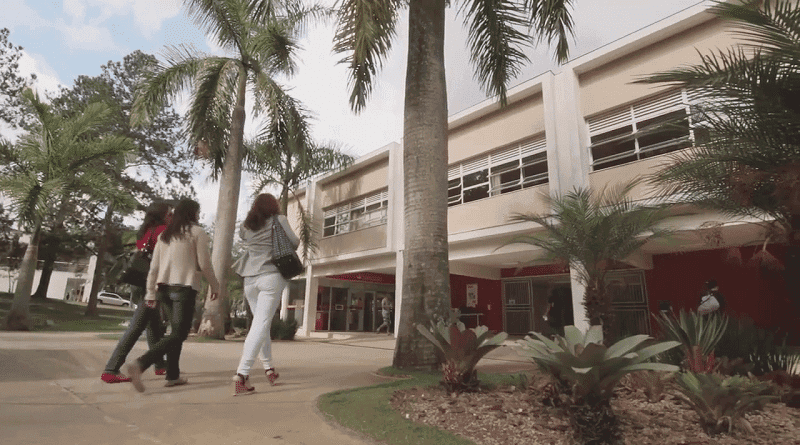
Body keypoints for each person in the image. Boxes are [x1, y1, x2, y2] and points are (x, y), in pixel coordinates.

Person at [124, 199, 221, 392]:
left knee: (175, 332)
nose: (199, 216)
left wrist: (150, 292)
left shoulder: (165, 235)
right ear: (192, 213)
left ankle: (173, 375)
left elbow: (154, 267)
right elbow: (204, 263)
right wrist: (215, 286)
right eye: (198, 212)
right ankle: (140, 364)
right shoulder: (197, 232)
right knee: (179, 333)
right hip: (183, 288)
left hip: (163, 290)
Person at [230, 193, 300, 396]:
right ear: (273, 206)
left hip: (250, 279)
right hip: (271, 275)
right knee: (260, 324)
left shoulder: (247, 225)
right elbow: (294, 243)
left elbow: (243, 237)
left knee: (261, 324)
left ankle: (269, 369)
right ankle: (242, 375)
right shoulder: (279, 220)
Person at [100, 203, 170, 384]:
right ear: (161, 215)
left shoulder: (145, 231)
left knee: (153, 325)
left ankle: (160, 365)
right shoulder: (163, 230)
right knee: (136, 327)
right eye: (169, 213)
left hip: (138, 282)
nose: (172, 216)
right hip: (150, 283)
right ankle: (111, 369)